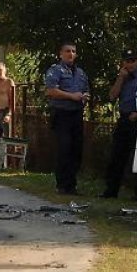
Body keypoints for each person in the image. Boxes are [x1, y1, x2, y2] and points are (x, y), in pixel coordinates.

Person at [101, 49, 137, 201]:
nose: (130, 64)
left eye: (133, 61)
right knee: (117, 155)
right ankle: (111, 190)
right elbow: (112, 96)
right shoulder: (122, 78)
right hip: (124, 119)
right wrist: (120, 79)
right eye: (127, 61)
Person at [44, 42, 89, 195]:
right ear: (61, 54)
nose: (71, 54)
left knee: (76, 150)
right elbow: (50, 91)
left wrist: (84, 97)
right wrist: (71, 96)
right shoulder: (55, 70)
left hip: (76, 114)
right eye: (67, 51)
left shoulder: (81, 73)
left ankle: (72, 185)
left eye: (73, 51)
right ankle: (62, 184)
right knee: (64, 148)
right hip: (62, 113)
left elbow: (86, 91)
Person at [0, 61, 16, 149]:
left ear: (4, 70)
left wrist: (9, 114)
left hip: (4, 112)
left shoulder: (9, 81)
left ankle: (9, 161)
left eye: (0, 70)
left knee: (7, 138)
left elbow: (12, 100)